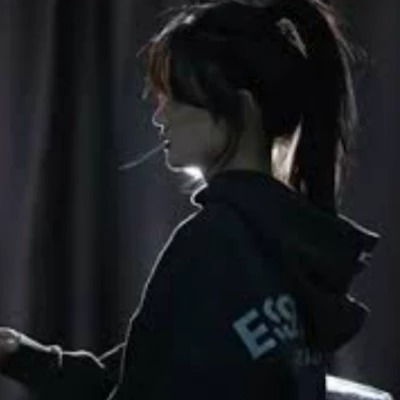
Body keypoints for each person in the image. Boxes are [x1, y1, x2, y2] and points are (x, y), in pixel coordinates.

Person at [0, 0, 383, 399]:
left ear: (242, 108)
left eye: (175, 98)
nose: (159, 117)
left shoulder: (212, 242)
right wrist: (20, 354)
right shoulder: (288, 245)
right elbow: (139, 376)